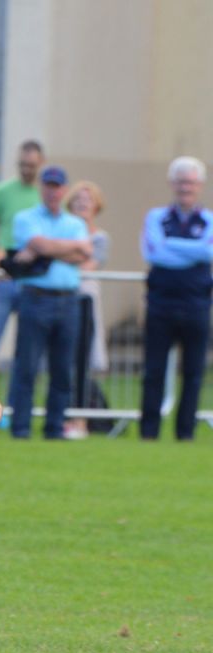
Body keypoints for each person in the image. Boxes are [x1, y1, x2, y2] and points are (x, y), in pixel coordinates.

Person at [7, 166, 93, 440]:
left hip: (68, 301)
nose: (52, 191)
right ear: (42, 188)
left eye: (57, 186)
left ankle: (54, 429)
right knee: (27, 367)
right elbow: (52, 247)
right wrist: (64, 248)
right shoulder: (25, 218)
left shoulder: (76, 222)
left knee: (62, 370)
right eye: (48, 185)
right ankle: (21, 428)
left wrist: (45, 249)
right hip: (36, 298)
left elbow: (85, 252)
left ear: (64, 190)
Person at [139, 156, 213, 440]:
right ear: (173, 183)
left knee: (193, 374)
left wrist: (172, 246)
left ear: (200, 185)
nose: (186, 187)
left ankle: (185, 433)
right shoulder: (156, 217)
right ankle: (149, 432)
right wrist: (192, 251)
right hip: (160, 305)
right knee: (153, 372)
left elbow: (208, 253)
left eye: (191, 182)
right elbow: (154, 252)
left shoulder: (207, 220)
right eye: (181, 181)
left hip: (197, 306)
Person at [0, 140, 46, 377]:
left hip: (33, 280)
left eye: (32, 165)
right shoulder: (2, 191)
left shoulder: (45, 195)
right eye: (23, 164)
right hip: (2, 277)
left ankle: (20, 409)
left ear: (41, 164)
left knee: (29, 351)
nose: (27, 169)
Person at [63, 180, 110, 438]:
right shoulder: (62, 231)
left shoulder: (100, 237)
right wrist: (71, 251)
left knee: (81, 362)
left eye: (88, 200)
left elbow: (88, 264)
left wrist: (59, 253)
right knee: (62, 362)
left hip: (84, 300)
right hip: (62, 299)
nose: (83, 205)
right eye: (78, 200)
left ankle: (80, 419)